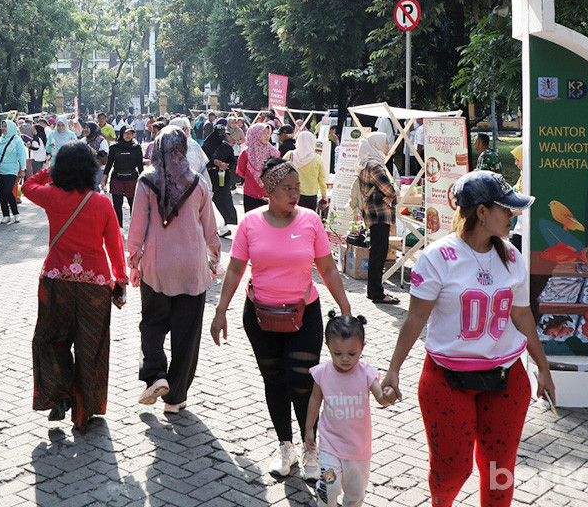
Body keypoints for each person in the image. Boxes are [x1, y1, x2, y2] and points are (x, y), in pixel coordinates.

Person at [380, 170, 555, 507]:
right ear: (482, 212)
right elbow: (415, 318)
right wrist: (394, 370)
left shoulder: (512, 256)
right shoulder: (437, 258)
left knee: (499, 472)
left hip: (507, 377)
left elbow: (521, 315)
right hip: (447, 379)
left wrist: (542, 367)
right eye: (506, 209)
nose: (513, 216)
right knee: (451, 472)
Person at [211, 157, 354, 480]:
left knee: (302, 382)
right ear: (270, 191)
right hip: (261, 316)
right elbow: (235, 269)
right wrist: (220, 312)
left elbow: (327, 267)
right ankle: (285, 445)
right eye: (287, 188)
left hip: (304, 315)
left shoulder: (310, 220)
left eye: (297, 188)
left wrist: (345, 309)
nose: (294, 194)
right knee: (274, 380)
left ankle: (311, 447)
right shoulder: (249, 223)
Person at [24, 143, 127, 432]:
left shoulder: (52, 196)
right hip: (95, 286)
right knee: (90, 347)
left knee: (49, 340)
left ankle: (59, 394)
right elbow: (114, 245)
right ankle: (85, 411)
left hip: (56, 283)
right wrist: (120, 278)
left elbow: (27, 186)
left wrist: (51, 171)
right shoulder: (103, 203)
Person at [129, 127, 220, 413]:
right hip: (192, 268)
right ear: (183, 147)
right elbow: (210, 228)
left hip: (156, 267)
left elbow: (136, 228)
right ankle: (176, 398)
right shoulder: (199, 182)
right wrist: (214, 259)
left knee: (152, 324)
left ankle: (156, 375)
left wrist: (133, 261)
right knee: (187, 335)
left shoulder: (146, 181)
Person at [304, 313, 394, 504]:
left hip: (358, 449)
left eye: (352, 353)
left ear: (362, 348)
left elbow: (381, 398)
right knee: (329, 487)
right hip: (330, 444)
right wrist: (309, 428)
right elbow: (314, 400)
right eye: (338, 353)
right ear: (328, 347)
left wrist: (388, 396)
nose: (345, 359)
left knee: (355, 495)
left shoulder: (367, 373)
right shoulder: (322, 373)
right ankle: (324, 497)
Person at [357, 132, 399, 305]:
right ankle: (377, 293)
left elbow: (390, 192)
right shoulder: (375, 166)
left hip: (375, 214)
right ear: (377, 145)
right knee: (378, 254)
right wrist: (393, 194)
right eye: (386, 143)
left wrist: (392, 194)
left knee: (377, 253)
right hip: (379, 215)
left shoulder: (370, 163)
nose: (388, 147)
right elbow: (391, 190)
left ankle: (373, 290)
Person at [202, 118, 238, 236]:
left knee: (224, 199)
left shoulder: (226, 147)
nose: (222, 137)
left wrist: (226, 165)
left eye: (224, 135)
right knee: (211, 201)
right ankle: (213, 226)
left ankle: (224, 225)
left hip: (223, 177)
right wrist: (213, 162)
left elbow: (233, 160)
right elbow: (202, 161)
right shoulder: (206, 146)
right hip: (210, 177)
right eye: (220, 135)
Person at [103, 125, 144, 225]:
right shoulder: (114, 148)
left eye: (130, 133)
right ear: (121, 134)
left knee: (133, 205)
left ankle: (134, 228)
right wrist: (103, 180)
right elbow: (109, 165)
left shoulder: (137, 148)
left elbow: (140, 165)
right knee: (117, 206)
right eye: (126, 133)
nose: (128, 135)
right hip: (117, 179)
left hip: (132, 179)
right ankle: (118, 229)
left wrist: (143, 181)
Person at [0, 117, 27, 225]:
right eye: (2, 126)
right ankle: (5, 215)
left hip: (11, 170)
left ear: (11, 127)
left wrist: (23, 169)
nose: (3, 128)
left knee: (8, 191)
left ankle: (16, 213)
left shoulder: (17, 141)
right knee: (1, 193)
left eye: (5, 126)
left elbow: (22, 156)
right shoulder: (0, 140)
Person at [237, 122, 276, 212]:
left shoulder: (273, 152)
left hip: (269, 193)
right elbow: (241, 171)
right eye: (263, 133)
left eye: (268, 133)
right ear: (255, 134)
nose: (267, 136)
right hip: (250, 193)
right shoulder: (246, 153)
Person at [286, 130, 327, 213]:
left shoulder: (290, 155)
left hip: (292, 193)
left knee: (293, 220)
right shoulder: (317, 159)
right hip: (311, 195)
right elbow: (322, 180)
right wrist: (323, 196)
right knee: (308, 220)